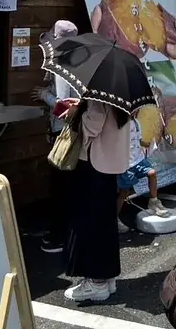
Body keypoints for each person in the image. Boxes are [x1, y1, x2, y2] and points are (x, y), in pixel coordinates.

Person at [63, 97, 131, 302]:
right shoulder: (117, 88)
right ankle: (105, 277)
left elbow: (93, 125)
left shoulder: (99, 88)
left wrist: (76, 112)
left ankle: (97, 282)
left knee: (91, 221)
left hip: (95, 162)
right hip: (109, 162)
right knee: (104, 221)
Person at [34, 20, 79, 253]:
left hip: (61, 132)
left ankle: (58, 237)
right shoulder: (78, 60)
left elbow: (64, 106)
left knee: (60, 186)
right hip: (74, 132)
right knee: (68, 185)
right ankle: (67, 234)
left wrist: (44, 95)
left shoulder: (61, 65)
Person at [117, 114, 172, 232]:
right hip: (126, 164)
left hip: (139, 160)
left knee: (152, 173)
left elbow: (139, 140)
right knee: (123, 193)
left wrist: (148, 144)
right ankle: (114, 218)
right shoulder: (119, 125)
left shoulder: (136, 122)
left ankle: (153, 201)